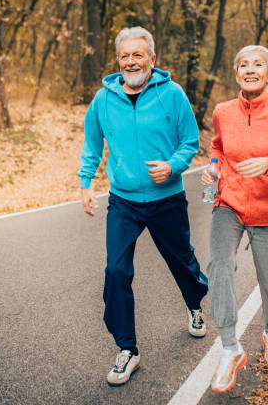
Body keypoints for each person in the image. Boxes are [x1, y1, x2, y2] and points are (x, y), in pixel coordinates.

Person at [78, 26, 209, 387]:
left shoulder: (172, 94)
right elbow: (92, 143)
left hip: (166, 199)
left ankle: (195, 303)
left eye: (138, 55)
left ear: (152, 58)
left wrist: (174, 165)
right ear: (118, 60)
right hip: (124, 201)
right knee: (115, 271)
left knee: (182, 260)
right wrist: (86, 182)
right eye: (125, 56)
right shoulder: (103, 100)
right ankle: (127, 349)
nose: (131, 61)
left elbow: (190, 141)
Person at [202, 45, 268, 393]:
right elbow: (217, 147)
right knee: (219, 264)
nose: (250, 70)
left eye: (258, 65)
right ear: (237, 73)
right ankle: (230, 347)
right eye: (244, 65)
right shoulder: (223, 111)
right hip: (229, 203)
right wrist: (214, 169)